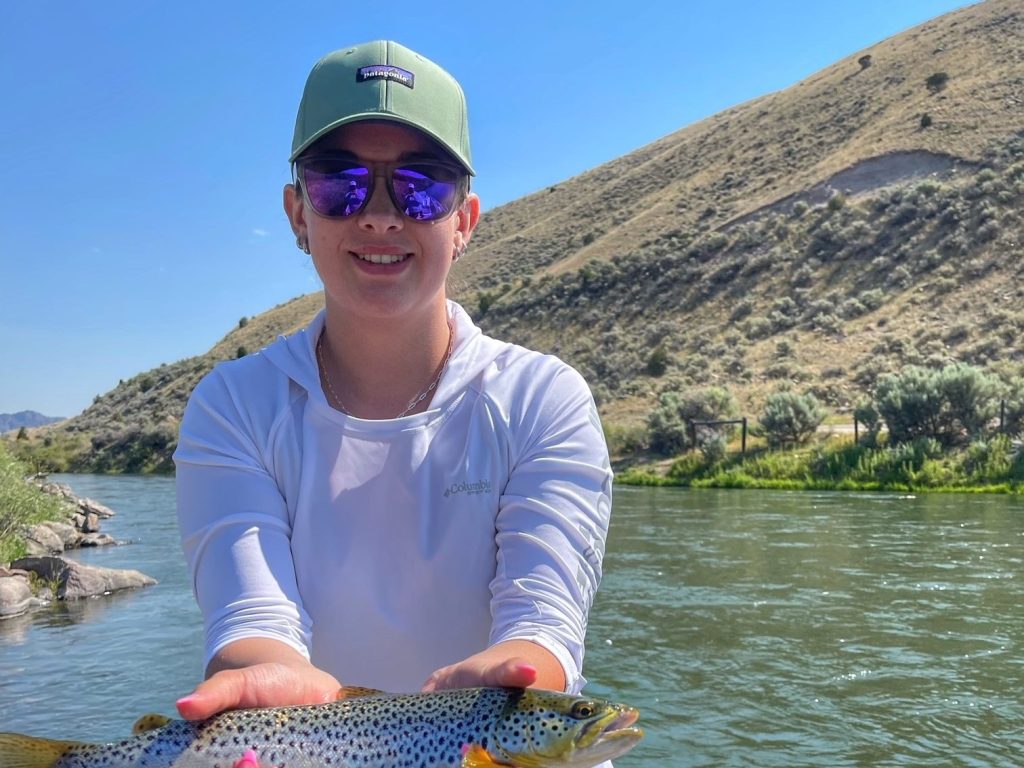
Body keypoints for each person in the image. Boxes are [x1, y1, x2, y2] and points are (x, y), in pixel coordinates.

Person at [173, 39, 612, 734]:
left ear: (464, 221)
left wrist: (522, 671)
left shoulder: (542, 399)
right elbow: (252, 619)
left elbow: (545, 622)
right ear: (297, 213)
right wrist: (264, 675)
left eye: (422, 184)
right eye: (339, 182)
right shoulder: (234, 406)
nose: (380, 214)